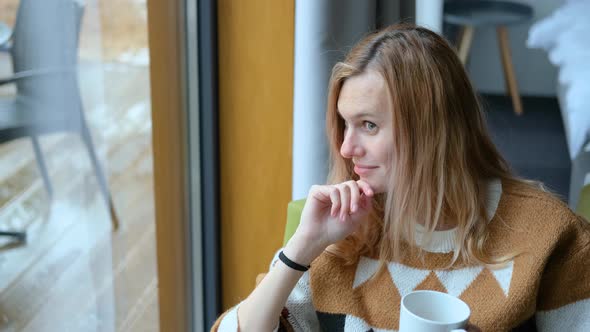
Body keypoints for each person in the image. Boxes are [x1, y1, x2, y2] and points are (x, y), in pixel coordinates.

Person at [212, 23, 590, 331]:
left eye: (369, 125)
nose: (346, 148)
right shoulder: (343, 237)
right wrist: (301, 247)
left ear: (433, 131)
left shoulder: (549, 236)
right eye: (345, 125)